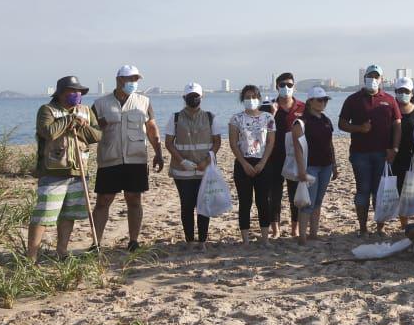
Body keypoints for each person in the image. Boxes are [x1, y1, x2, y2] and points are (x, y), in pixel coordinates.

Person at [26, 76, 101, 261]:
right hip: (53, 172)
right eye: (72, 91)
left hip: (78, 171)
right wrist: (70, 120)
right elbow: (48, 132)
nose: (77, 95)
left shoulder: (85, 110)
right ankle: (31, 257)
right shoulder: (47, 110)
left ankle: (62, 251)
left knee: (69, 214)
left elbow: (97, 135)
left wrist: (80, 125)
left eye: (79, 92)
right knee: (44, 214)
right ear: (60, 93)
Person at [92, 65, 164, 251]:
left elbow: (152, 128)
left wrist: (158, 152)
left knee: (134, 199)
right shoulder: (100, 103)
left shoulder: (144, 101)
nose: (133, 83)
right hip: (109, 159)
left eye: (136, 79)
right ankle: (96, 242)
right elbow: (91, 131)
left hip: (136, 160)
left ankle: (133, 241)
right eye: (129, 79)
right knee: (103, 200)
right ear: (119, 80)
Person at [338, 65, 401, 236]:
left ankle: (380, 227)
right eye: (370, 76)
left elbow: (397, 125)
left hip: (383, 154)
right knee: (363, 191)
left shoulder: (389, 99)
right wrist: (359, 128)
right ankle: (363, 228)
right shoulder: (353, 99)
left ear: (381, 79)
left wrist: (394, 148)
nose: (373, 79)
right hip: (360, 154)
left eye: (376, 76)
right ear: (364, 78)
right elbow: (342, 124)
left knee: (379, 192)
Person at [164, 82, 224, 247]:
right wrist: (182, 161)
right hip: (182, 172)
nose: (194, 99)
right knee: (187, 205)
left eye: (196, 96)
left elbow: (217, 142)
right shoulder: (175, 118)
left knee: (204, 205)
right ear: (184, 98)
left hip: (205, 170)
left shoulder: (210, 117)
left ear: (201, 97)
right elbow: (169, 143)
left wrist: (206, 161)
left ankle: (202, 240)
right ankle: (190, 240)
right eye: (190, 96)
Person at [229, 85, 276, 244]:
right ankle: (246, 240)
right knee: (245, 201)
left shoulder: (268, 118)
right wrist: (244, 164)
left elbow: (270, 142)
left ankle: (265, 238)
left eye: (254, 97)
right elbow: (233, 144)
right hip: (243, 164)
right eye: (247, 97)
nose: (251, 100)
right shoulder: (236, 119)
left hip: (263, 163)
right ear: (243, 99)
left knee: (263, 201)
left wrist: (262, 163)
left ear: (259, 98)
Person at [265, 71, 306, 240]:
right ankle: (276, 230)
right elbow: (260, 131)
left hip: (295, 157)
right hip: (273, 156)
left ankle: (295, 229)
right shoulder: (268, 106)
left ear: (294, 87)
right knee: (274, 195)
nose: (286, 88)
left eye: (289, 85)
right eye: (282, 85)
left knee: (294, 195)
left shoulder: (303, 107)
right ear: (277, 87)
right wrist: (271, 114)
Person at [299, 86, 336, 242]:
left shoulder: (326, 120)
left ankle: (313, 234)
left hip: (326, 166)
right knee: (308, 202)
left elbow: (330, 144)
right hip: (311, 166)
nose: (323, 103)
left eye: (325, 100)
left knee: (318, 201)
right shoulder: (302, 122)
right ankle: (302, 236)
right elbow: (298, 148)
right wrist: (302, 169)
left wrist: (334, 164)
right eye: (320, 100)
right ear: (310, 101)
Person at [390, 77, 414, 228]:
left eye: (406, 91)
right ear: (395, 93)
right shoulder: (391, 110)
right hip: (397, 157)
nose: (403, 93)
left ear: (412, 93)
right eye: (400, 91)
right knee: (400, 191)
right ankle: (404, 225)